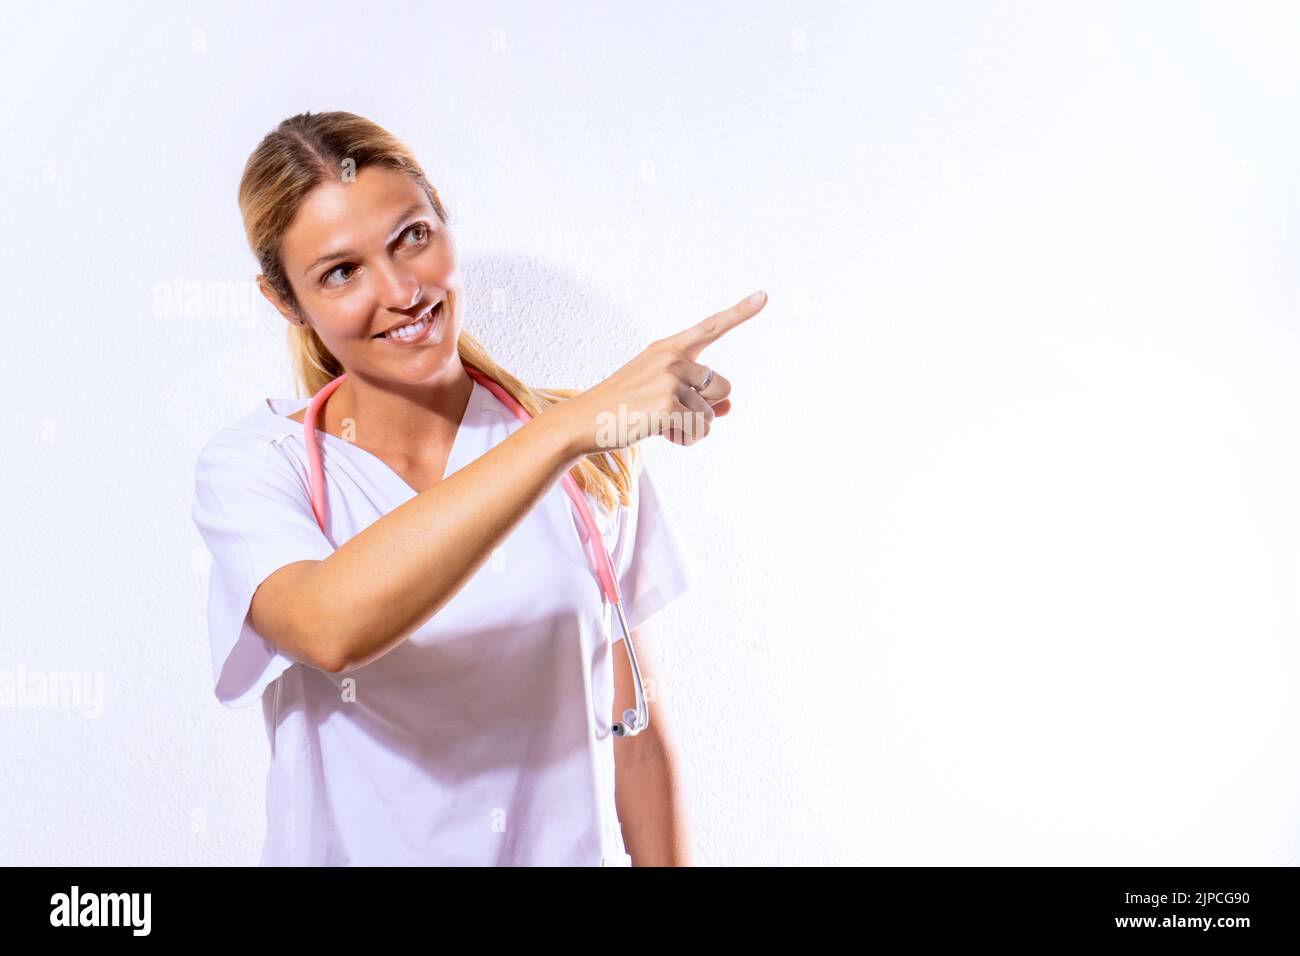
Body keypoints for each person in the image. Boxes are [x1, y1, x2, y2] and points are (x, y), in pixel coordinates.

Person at [190, 111, 765, 866]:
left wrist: (567, 433)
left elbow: (640, 740)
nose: (400, 291)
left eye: (413, 237)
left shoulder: (587, 455)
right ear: (285, 302)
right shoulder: (258, 467)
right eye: (340, 271)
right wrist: (562, 432)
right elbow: (329, 629)